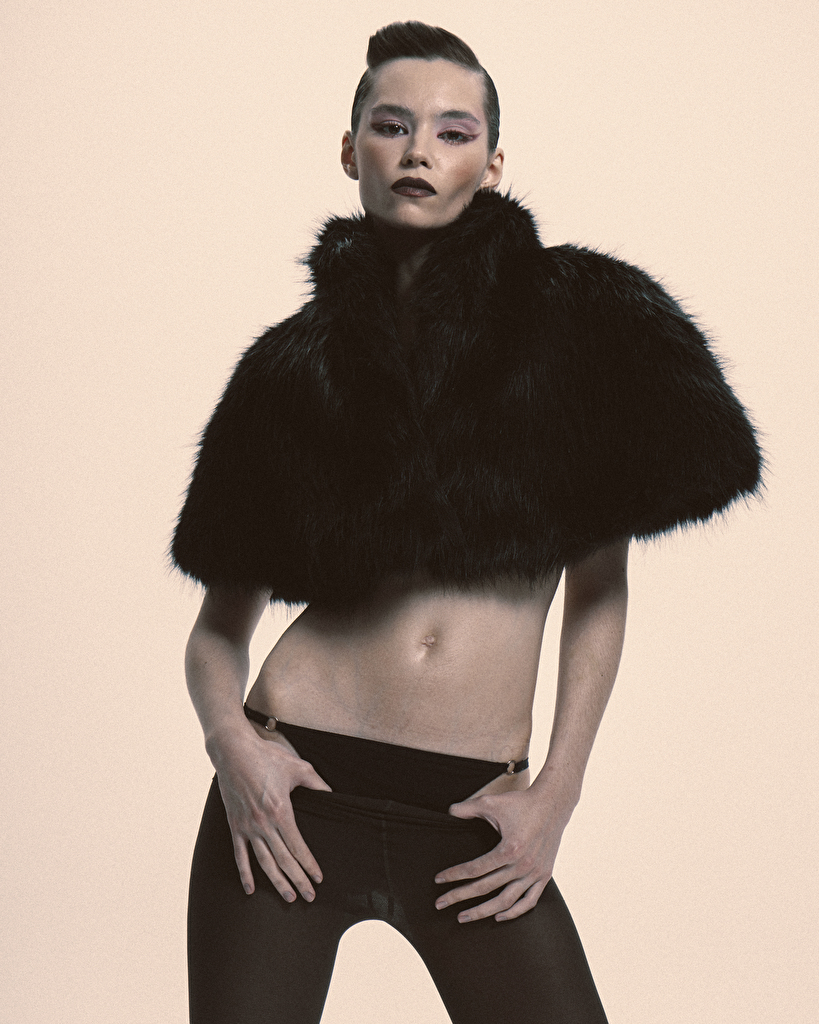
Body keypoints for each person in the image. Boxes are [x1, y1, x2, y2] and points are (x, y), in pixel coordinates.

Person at [171, 21, 761, 1024]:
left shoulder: (585, 326)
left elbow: (600, 589)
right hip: (288, 801)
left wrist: (557, 791)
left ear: (491, 164)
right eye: (390, 125)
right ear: (350, 149)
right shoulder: (289, 373)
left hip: (475, 818)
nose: (417, 151)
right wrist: (234, 747)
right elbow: (215, 633)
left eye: (451, 132)